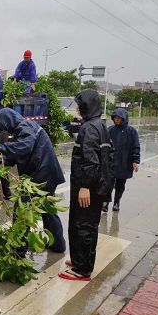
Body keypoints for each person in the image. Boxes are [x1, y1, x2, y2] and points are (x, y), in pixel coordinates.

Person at [0, 108, 66, 255]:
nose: (5, 131)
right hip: (46, 174)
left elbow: (25, 146)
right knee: (47, 210)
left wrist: (0, 148)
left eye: (3, 126)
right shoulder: (23, 129)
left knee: (21, 210)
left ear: (8, 120)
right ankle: (58, 245)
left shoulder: (25, 127)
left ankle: (18, 250)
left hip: (41, 175)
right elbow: (19, 152)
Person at [61, 89, 113, 281]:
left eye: (79, 105)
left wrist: (85, 186)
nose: (77, 108)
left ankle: (82, 270)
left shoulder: (90, 128)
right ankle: (79, 260)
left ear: (86, 106)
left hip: (88, 187)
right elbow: (109, 156)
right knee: (80, 224)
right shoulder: (100, 125)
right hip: (95, 186)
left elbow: (91, 161)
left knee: (83, 226)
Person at [102, 108, 140, 212]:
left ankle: (116, 202)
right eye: (115, 118)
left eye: (119, 118)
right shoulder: (110, 130)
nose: (117, 120)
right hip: (111, 162)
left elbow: (136, 147)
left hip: (124, 163)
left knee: (120, 185)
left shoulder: (131, 131)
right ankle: (105, 202)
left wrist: (135, 161)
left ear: (124, 119)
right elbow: (104, 146)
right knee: (108, 183)